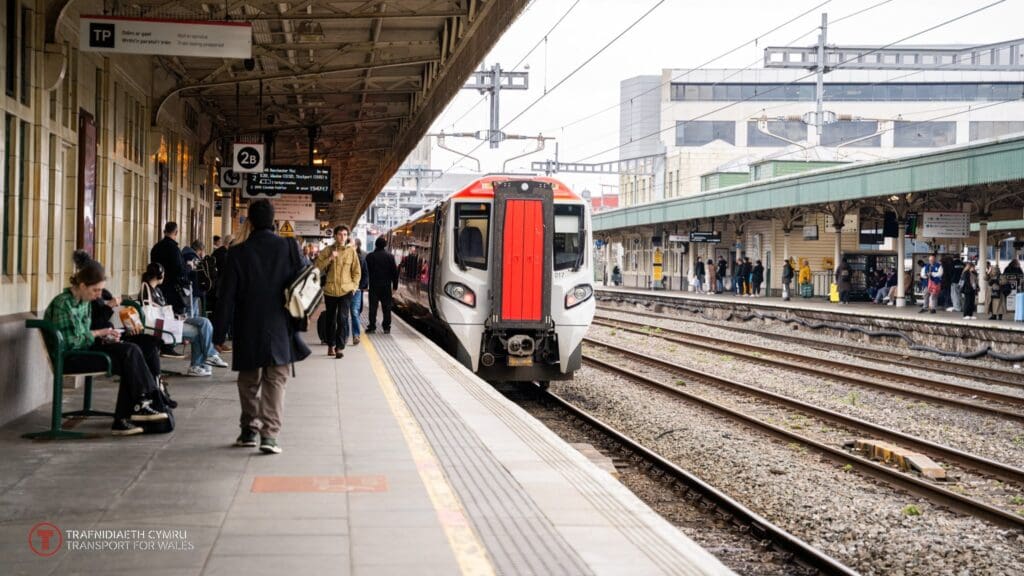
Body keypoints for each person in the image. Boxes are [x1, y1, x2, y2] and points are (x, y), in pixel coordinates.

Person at [214, 199, 311, 454]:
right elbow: (304, 282)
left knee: (248, 380)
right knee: (276, 380)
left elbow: (226, 297)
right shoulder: (289, 247)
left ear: (251, 221)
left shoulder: (237, 252)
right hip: (280, 324)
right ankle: (269, 436)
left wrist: (219, 333)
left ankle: (249, 430)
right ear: (274, 220)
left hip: (247, 325)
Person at [45, 256, 168, 436]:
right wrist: (98, 333)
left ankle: (136, 407)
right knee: (129, 357)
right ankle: (144, 401)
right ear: (81, 286)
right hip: (70, 357)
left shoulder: (84, 302)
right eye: (96, 290)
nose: (98, 295)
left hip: (84, 350)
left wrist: (107, 335)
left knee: (131, 352)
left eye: (100, 290)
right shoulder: (63, 304)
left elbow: (85, 335)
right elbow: (71, 342)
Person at [140, 263, 228, 376]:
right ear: (160, 275)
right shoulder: (146, 289)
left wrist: (178, 316)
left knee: (204, 322)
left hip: (170, 320)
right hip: (161, 325)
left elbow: (164, 310)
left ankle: (210, 357)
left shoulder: (157, 290)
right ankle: (199, 364)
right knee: (198, 333)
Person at [315, 225, 362, 359]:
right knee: (331, 319)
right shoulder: (327, 250)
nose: (343, 237)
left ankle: (340, 347)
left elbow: (357, 271)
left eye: (345, 234)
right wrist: (329, 258)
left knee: (342, 318)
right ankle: (331, 344)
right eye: (340, 234)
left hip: (346, 291)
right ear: (335, 235)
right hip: (330, 291)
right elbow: (316, 267)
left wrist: (353, 287)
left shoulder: (351, 252)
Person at [150, 222, 189, 317]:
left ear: (165, 231)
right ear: (176, 232)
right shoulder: (174, 249)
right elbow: (180, 271)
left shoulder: (156, 248)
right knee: (176, 317)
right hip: (174, 292)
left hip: (159, 289)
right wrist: (189, 267)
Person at [366, 236, 400, 334]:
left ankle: (372, 327)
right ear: (385, 245)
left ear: (375, 244)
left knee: (373, 307)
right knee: (386, 308)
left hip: (374, 286)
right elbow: (395, 273)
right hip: (386, 287)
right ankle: (386, 327)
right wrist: (395, 287)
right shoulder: (390, 257)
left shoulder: (370, 256)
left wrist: (365, 285)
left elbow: (365, 271)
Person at [182, 239, 208, 318]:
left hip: (189, 289)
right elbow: (198, 273)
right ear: (200, 250)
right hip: (192, 289)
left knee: (193, 311)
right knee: (192, 313)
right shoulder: (193, 257)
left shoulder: (186, 254)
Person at [350, 238, 368, 345]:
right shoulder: (341, 257)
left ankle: (356, 335)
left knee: (354, 312)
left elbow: (365, 274)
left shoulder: (361, 259)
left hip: (356, 290)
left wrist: (360, 287)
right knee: (342, 315)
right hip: (344, 290)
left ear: (356, 247)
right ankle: (343, 335)